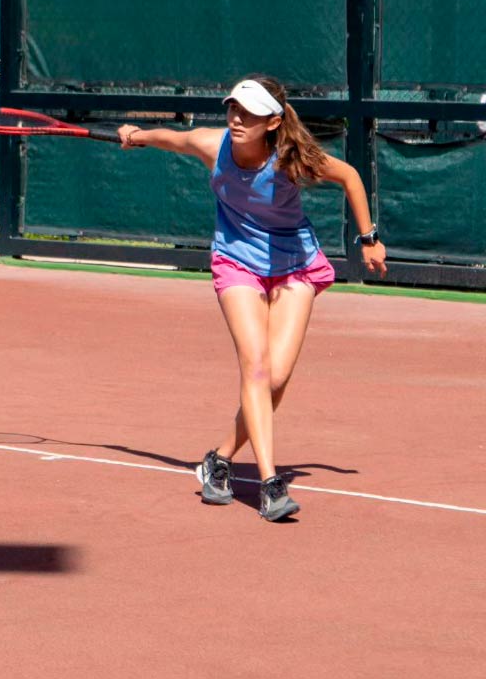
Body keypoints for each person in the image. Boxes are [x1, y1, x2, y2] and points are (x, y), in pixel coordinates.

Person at [116, 75, 387, 521]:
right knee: (256, 368)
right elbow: (173, 139)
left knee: (274, 379)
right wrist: (137, 135)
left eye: (250, 113)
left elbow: (350, 177)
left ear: (273, 122)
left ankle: (219, 458)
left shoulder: (292, 158)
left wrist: (369, 238)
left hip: (295, 264)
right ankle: (269, 483)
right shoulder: (213, 145)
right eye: (234, 109)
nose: (237, 119)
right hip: (236, 262)